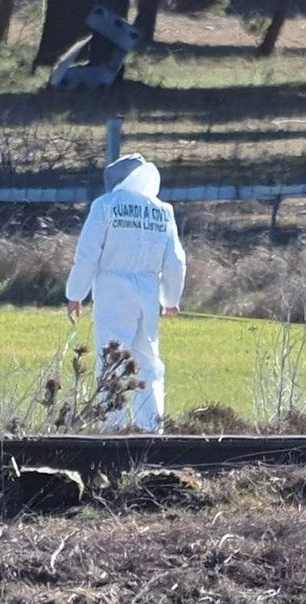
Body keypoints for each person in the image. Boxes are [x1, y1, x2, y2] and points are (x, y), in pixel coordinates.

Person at [65, 153, 186, 432]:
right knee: (148, 362)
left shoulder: (105, 205)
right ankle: (152, 427)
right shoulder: (162, 210)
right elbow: (176, 261)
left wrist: (75, 294)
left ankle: (111, 426)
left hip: (112, 290)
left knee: (111, 358)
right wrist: (171, 299)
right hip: (148, 293)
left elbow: (87, 255)